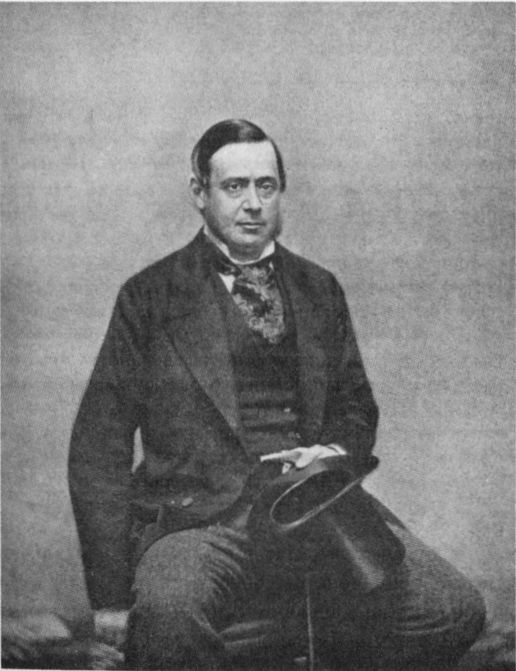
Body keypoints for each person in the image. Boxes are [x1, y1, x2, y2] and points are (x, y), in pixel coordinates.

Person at [69, 119, 485, 670]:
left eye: (265, 186)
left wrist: (331, 453)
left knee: (452, 609)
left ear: (280, 192)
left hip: (316, 508)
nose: (252, 204)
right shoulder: (149, 297)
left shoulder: (319, 288)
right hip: (199, 519)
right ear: (199, 193)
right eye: (234, 186)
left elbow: (356, 407)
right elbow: (98, 449)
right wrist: (109, 596)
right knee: (169, 614)